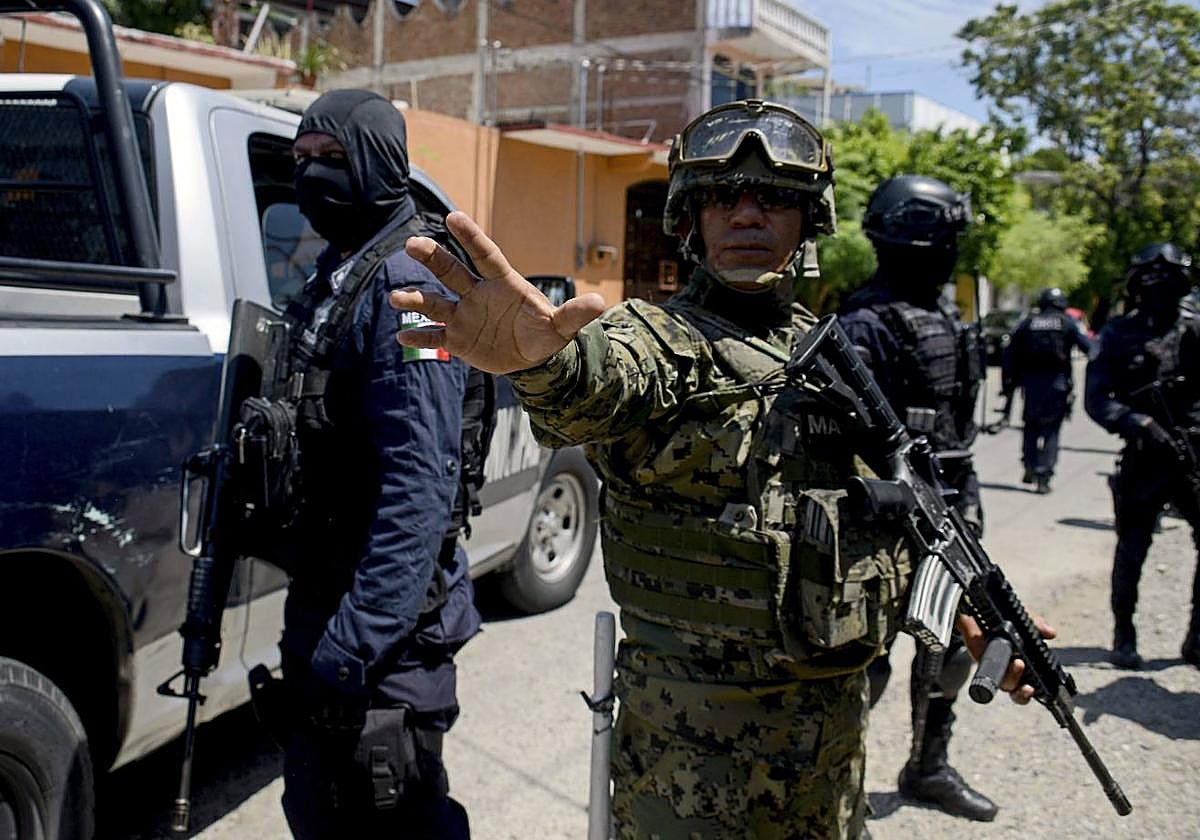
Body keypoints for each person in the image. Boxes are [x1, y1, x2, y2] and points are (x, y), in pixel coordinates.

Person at [388, 100, 1044, 839]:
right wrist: (547, 366)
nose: (747, 215)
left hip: (829, 769)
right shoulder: (660, 339)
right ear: (689, 220)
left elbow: (873, 520)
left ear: (809, 222)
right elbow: (591, 387)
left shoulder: (832, 352)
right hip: (691, 788)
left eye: (774, 199)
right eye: (722, 198)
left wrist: (959, 618)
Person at [276, 89, 479, 838]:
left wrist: (353, 646)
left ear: (380, 164)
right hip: (332, 606)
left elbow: (423, 482)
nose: (311, 176)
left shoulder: (417, 285)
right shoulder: (340, 269)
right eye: (300, 159)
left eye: (333, 159)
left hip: (383, 641)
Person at [838, 175, 997, 822]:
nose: (955, 248)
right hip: (886, 517)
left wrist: (968, 506)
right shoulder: (863, 325)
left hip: (954, 508)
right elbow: (847, 445)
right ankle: (839, 781)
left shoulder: (946, 317)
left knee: (954, 648)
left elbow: (956, 431)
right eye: (948, 236)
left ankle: (928, 765)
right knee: (863, 657)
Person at [1085, 242, 1200, 671]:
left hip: (1191, 455)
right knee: (1132, 548)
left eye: (1168, 282)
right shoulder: (1117, 335)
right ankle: (1124, 633)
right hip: (1143, 458)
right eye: (1150, 282)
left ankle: (1196, 637)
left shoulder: (1195, 330)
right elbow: (1097, 400)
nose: (1159, 290)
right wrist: (1138, 424)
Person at [1001, 287, 1094, 494]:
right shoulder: (1067, 323)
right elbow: (1089, 348)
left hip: (1031, 385)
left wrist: (1008, 384)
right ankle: (1044, 477)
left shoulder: (1027, 323)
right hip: (1057, 385)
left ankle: (1030, 465)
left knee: (1031, 427)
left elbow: (1009, 353)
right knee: (1051, 431)